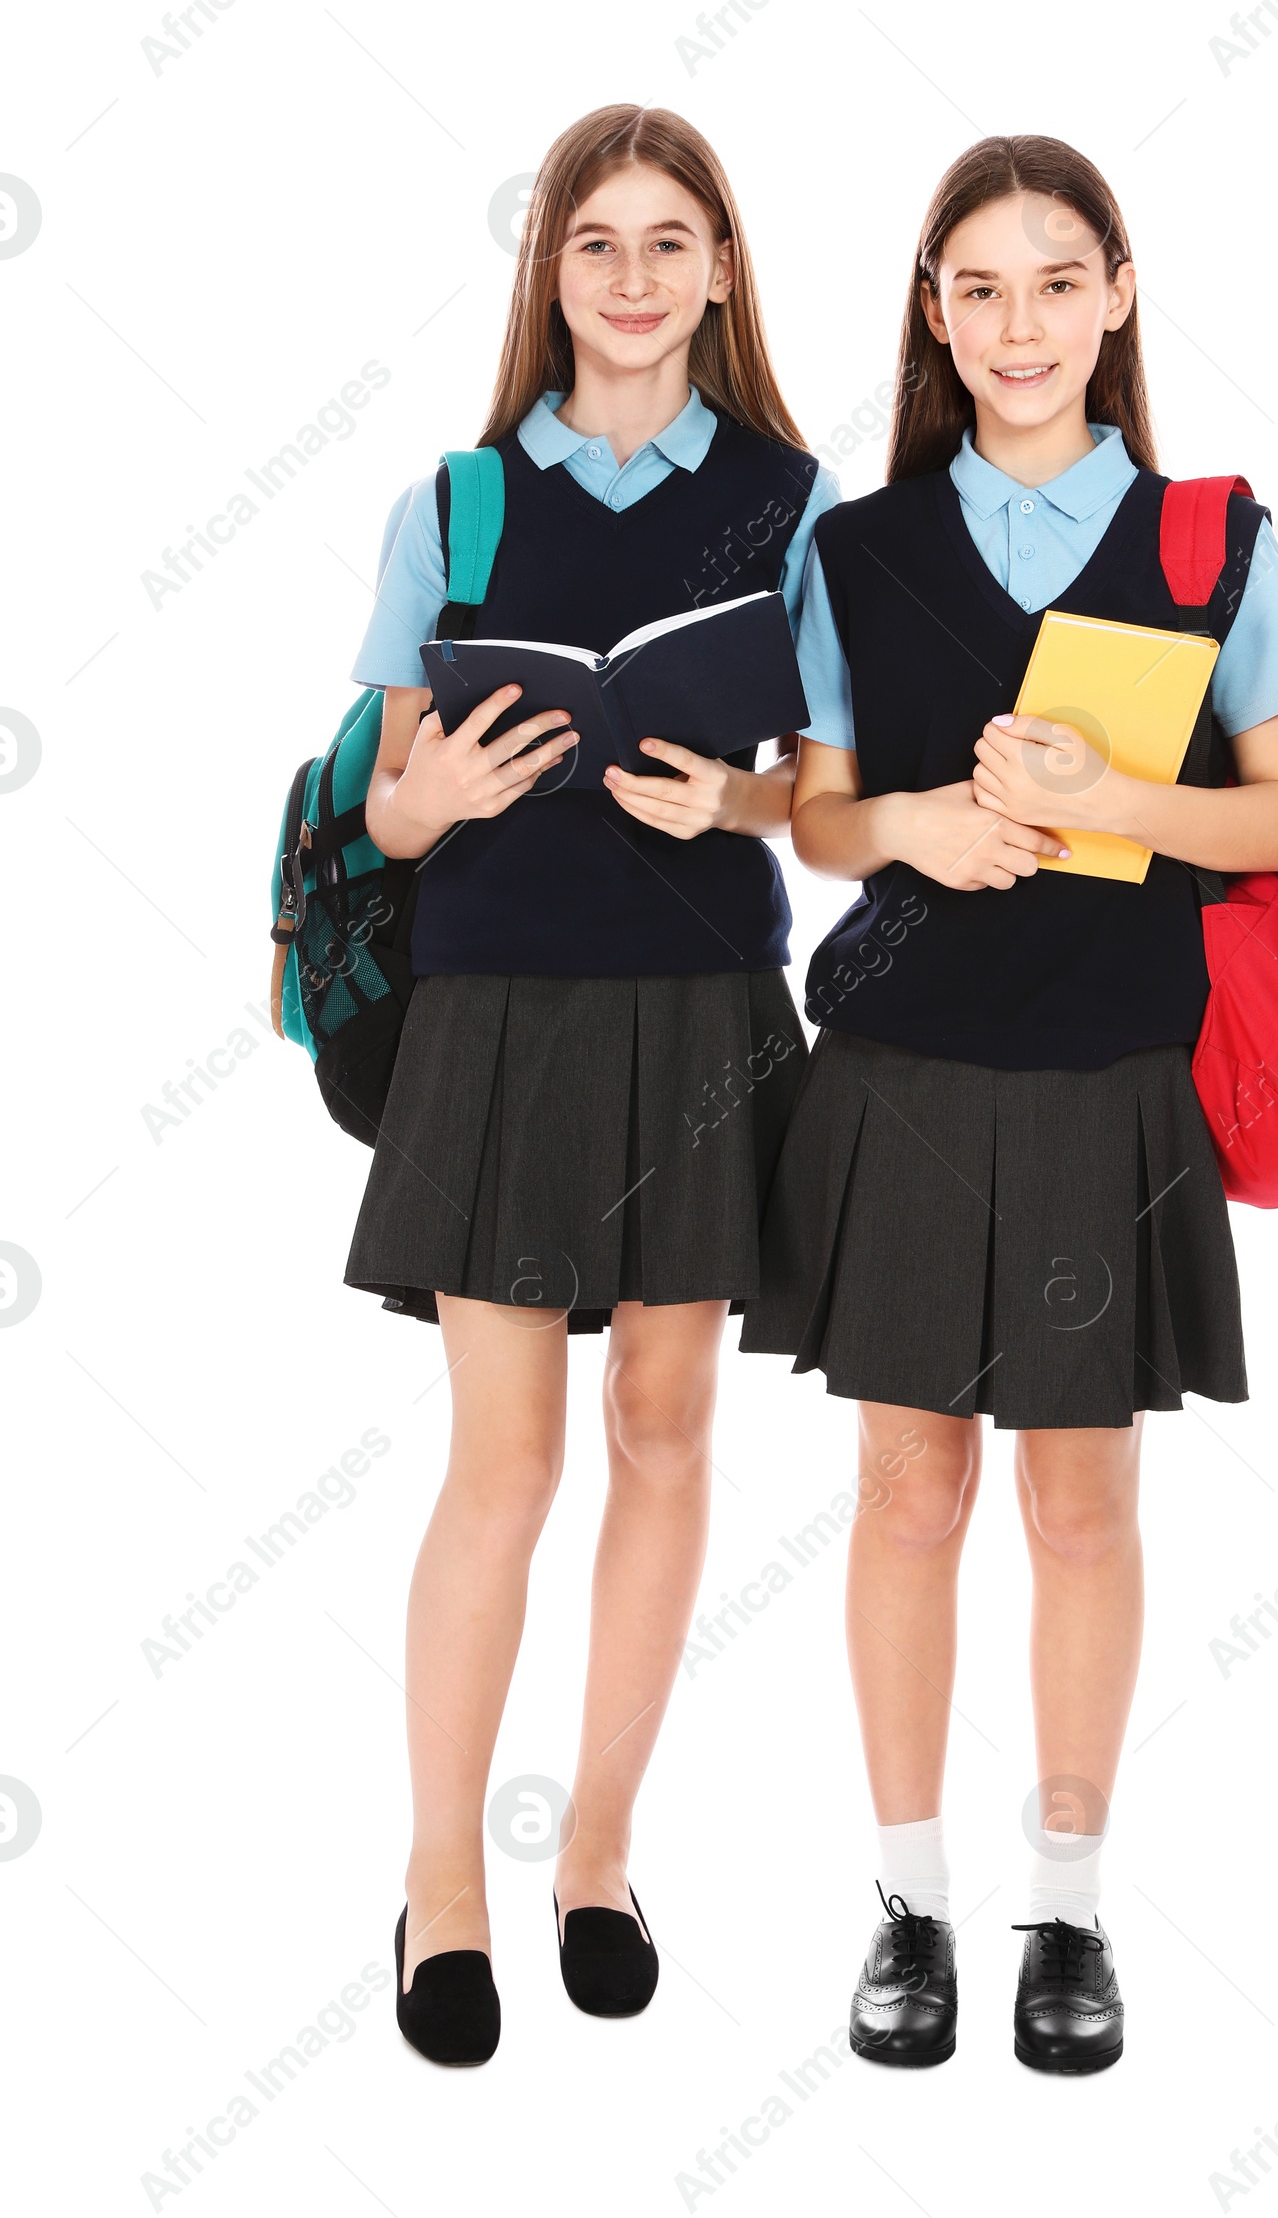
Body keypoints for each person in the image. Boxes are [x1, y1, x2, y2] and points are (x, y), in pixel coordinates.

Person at [742, 134, 1278, 2071]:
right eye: (977, 288)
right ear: (932, 312)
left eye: (1053, 281)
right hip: (904, 1076)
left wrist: (1107, 807)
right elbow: (822, 815)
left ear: (1115, 296)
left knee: (1079, 1508)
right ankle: (906, 1901)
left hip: (1106, 1071)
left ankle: (1064, 1912)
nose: (1018, 324)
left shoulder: (1204, 540)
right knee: (907, 1494)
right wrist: (907, 821)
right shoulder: (854, 547)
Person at [340, 104, 837, 2064]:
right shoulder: (452, 506)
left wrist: (749, 795)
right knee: (509, 1461)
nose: (628, 279)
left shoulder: (793, 506)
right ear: (546, 275)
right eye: (591, 244)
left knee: (659, 1430)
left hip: (701, 1018)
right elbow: (380, 804)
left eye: (664, 241)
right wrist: (428, 796)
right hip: (497, 1016)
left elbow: (844, 789)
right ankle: (442, 1883)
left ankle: (602, 1854)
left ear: (719, 272)